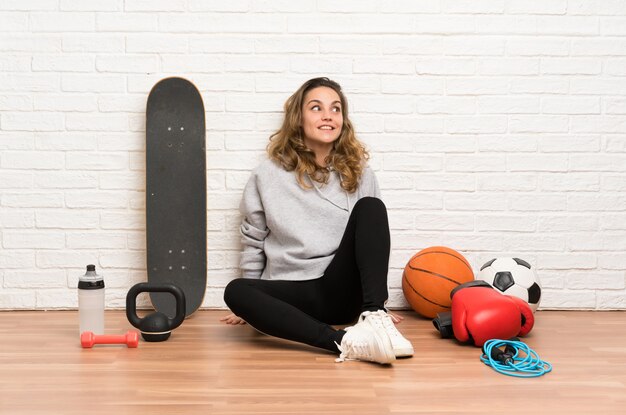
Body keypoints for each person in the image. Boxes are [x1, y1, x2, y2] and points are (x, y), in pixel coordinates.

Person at [222, 77, 413, 364]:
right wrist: (251, 305)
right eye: (316, 107)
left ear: (343, 120)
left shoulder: (360, 173)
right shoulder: (267, 175)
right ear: (298, 118)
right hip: (293, 294)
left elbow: (372, 240)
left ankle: (373, 318)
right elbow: (253, 238)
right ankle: (344, 341)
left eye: (335, 109)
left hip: (341, 288)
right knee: (236, 291)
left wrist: (378, 304)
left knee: (371, 207)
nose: (328, 115)